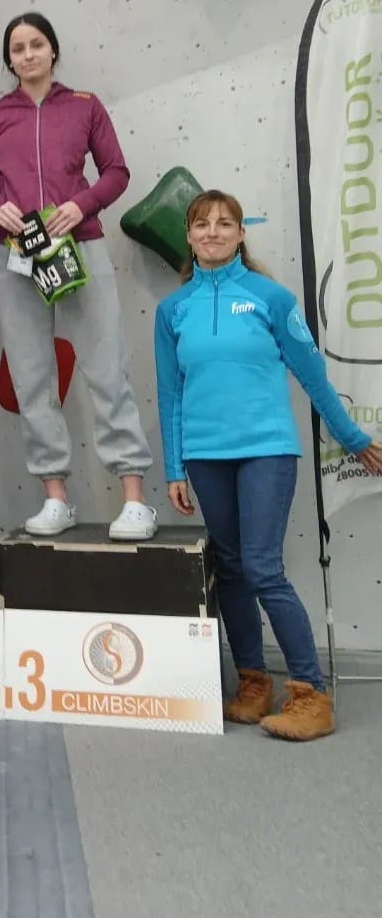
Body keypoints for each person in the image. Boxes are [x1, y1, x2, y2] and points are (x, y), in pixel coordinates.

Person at [155, 189, 382, 740]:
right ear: (189, 237)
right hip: (205, 457)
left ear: (240, 234)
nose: (212, 232)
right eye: (202, 224)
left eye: (224, 223)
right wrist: (175, 467)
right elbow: (170, 395)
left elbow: (313, 376)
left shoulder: (270, 298)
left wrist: (354, 439)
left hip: (266, 451)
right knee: (231, 569)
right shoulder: (172, 310)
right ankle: (253, 683)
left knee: (262, 568)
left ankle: (310, 694)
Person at [0, 11, 157, 540]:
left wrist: (80, 205)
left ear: (53, 50)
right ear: (9, 60)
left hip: (81, 246)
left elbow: (116, 171)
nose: (27, 55)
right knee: (31, 376)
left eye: (36, 44)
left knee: (107, 367)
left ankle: (134, 498)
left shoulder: (85, 106)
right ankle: (55, 497)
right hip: (16, 256)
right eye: (17, 48)